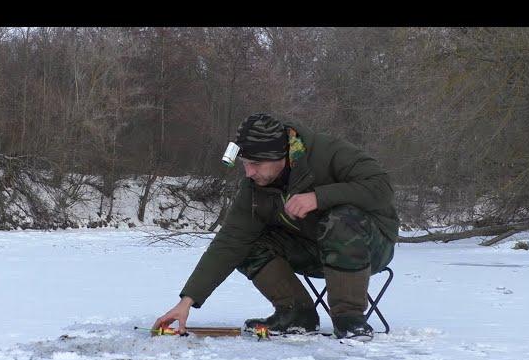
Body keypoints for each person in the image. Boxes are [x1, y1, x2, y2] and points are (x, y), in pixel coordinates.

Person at [152, 113, 399, 340]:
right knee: (246, 245)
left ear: (280, 157)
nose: (248, 173)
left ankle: (349, 319)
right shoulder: (253, 187)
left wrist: (318, 197)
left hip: (370, 246)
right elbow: (230, 241)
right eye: (244, 164)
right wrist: (187, 301)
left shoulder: (329, 152)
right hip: (312, 248)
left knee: (340, 221)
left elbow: (382, 188)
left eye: (255, 164)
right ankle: (296, 314)